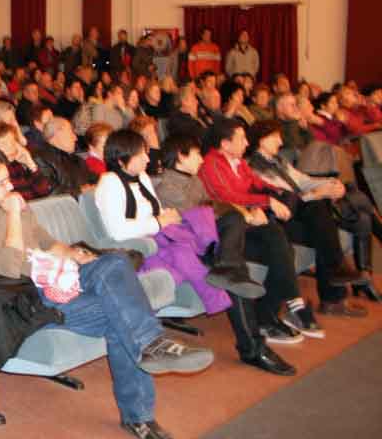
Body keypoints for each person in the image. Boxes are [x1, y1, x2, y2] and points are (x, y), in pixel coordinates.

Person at [0, 146, 213, 439]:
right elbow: (10, 267)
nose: (11, 188)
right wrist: (13, 216)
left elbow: (46, 241)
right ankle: (139, 411)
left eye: (10, 181)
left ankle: (150, 344)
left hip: (58, 276)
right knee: (119, 315)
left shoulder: (13, 206)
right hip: (26, 299)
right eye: (2, 183)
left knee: (114, 263)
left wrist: (73, 254)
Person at [153, 135, 294, 375]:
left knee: (266, 234)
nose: (201, 159)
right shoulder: (168, 185)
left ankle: (233, 272)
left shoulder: (194, 180)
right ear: (180, 157)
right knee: (236, 271)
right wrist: (236, 213)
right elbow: (200, 216)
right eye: (196, 154)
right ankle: (252, 348)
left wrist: (241, 213)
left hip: (218, 240)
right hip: (195, 245)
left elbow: (214, 206)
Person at [198, 119, 348, 338]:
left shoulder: (238, 163)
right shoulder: (212, 163)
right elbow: (225, 196)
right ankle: (287, 308)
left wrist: (277, 193)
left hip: (249, 222)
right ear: (225, 144)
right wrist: (267, 202)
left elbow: (260, 185)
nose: (247, 142)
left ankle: (271, 315)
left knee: (283, 239)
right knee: (279, 241)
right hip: (230, 232)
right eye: (241, 138)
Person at [96, 130, 232, 315]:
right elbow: (118, 232)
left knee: (197, 221)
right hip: (140, 245)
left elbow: (156, 210)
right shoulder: (110, 184)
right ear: (121, 159)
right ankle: (218, 285)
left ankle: (217, 274)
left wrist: (165, 216)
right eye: (141, 154)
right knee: (183, 253)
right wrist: (159, 222)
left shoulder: (142, 177)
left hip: (161, 235)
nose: (147, 159)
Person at [246, 119, 375, 310]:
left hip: (298, 215)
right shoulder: (254, 167)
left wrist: (330, 183)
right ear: (262, 140)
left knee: (322, 224)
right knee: (321, 218)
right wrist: (317, 194)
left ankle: (335, 286)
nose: (280, 142)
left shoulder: (278, 161)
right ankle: (333, 295)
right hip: (279, 222)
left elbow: (303, 181)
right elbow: (287, 197)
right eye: (275, 137)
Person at [29, 117, 98, 197]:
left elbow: (95, 179)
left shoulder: (77, 160)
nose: (75, 138)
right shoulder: (40, 157)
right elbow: (49, 191)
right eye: (71, 133)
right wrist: (80, 191)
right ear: (58, 134)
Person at [0, 122, 51, 201]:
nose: (11, 147)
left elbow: (44, 191)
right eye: (4, 144)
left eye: (13, 142)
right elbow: (19, 199)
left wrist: (31, 164)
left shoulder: (17, 163)